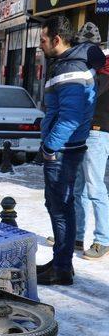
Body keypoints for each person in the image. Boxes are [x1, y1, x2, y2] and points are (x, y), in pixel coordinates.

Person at [36, 15, 105, 286]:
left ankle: (62, 268)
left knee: (61, 209)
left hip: (62, 150)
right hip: (62, 149)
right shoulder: (65, 64)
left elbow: (70, 117)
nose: (39, 45)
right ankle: (60, 262)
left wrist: (49, 146)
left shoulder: (71, 69)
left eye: (43, 40)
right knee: (57, 207)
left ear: (57, 39)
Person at [73, 23, 109, 261]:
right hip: (88, 130)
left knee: (95, 188)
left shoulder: (103, 70)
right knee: (80, 187)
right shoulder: (94, 68)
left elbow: (93, 100)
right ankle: (76, 235)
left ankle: (103, 240)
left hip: (98, 131)